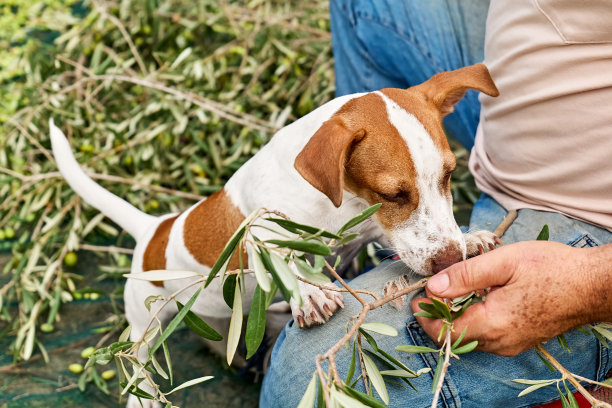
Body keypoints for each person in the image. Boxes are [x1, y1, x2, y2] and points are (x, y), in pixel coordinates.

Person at [260, 0, 612, 406]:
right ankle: (367, 179)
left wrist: (591, 284)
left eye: (446, 176)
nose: (449, 245)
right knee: (365, 5)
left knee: (305, 379)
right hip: (535, 72)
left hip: (579, 209)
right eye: (395, 193)